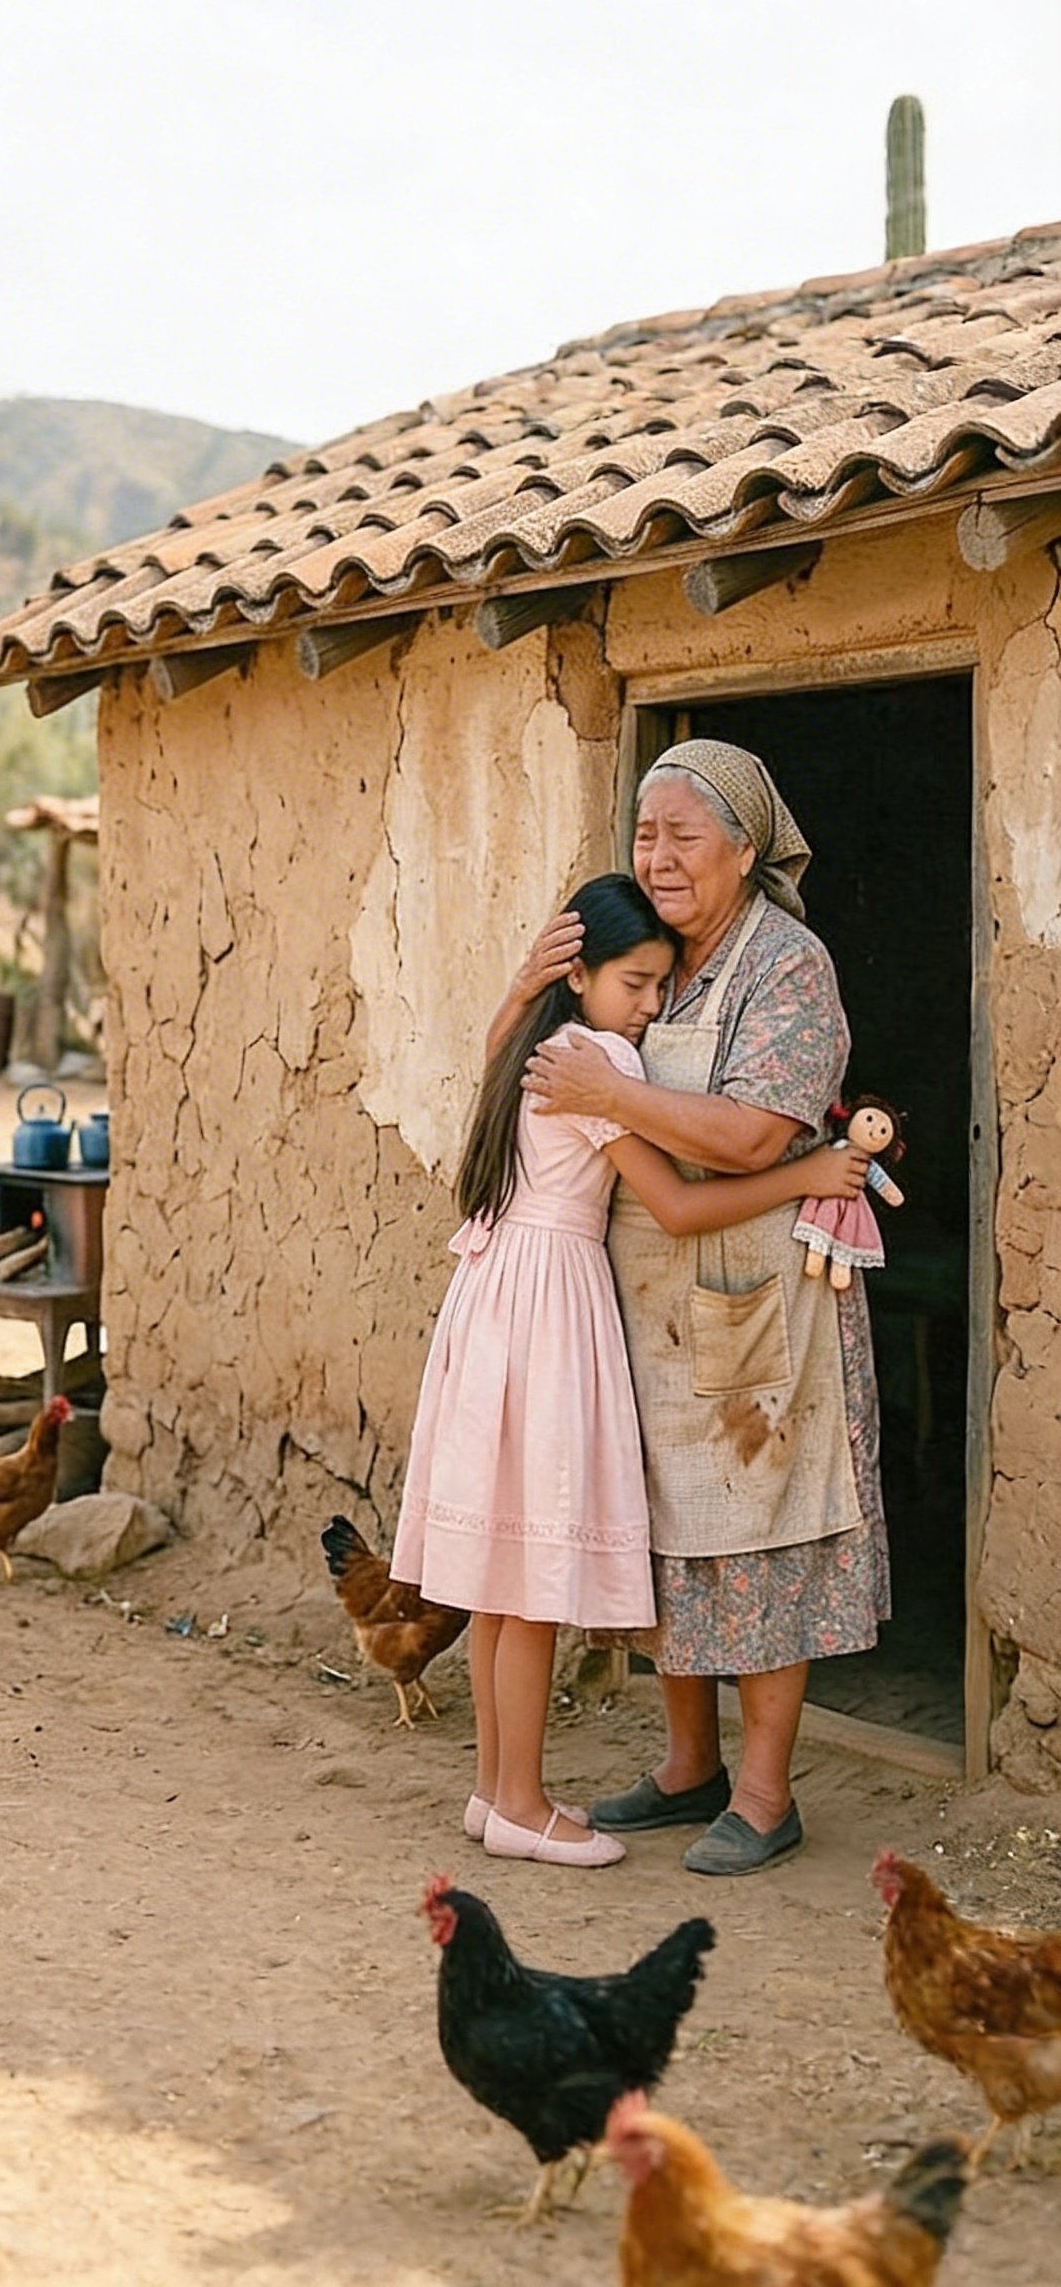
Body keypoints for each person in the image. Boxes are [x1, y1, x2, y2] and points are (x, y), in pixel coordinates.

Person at [390, 875, 867, 1869]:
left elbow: (494, 1052)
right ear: (582, 976)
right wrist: (809, 1175)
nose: (649, 1007)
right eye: (636, 983)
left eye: (659, 985)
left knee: (494, 1578)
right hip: (548, 1304)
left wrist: (524, 989)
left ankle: (493, 1794)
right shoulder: (596, 1059)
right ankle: (522, 1803)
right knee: (526, 1579)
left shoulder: (528, 1042)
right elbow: (684, 1207)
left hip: (491, 1299)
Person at [518, 739, 888, 1876]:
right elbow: (534, 1067)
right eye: (645, 834)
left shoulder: (785, 965)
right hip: (638, 1293)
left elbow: (754, 1135)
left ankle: (766, 1795)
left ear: (743, 847)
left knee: (758, 1530)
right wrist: (527, 987)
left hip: (756, 1297)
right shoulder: (643, 949)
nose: (659, 856)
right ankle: (688, 1768)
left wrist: (609, 1092)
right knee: (666, 1528)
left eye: (684, 835)